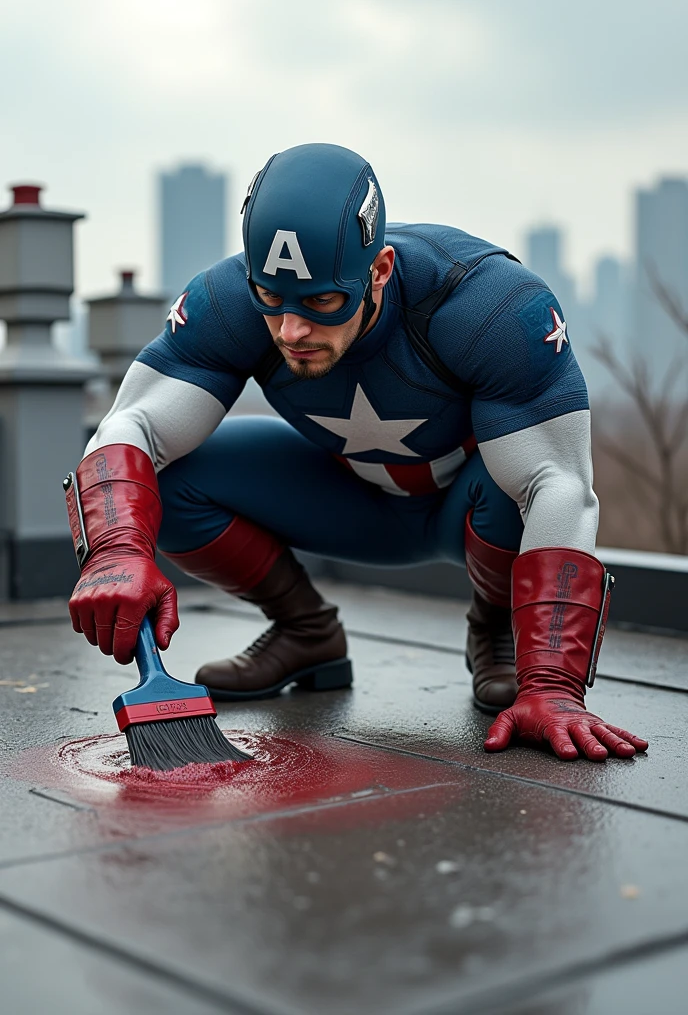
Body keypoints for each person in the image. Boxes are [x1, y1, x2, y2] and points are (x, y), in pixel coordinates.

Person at [65, 143, 648, 762]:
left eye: (321, 303)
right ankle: (306, 632)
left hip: (472, 509)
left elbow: (560, 485)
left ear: (380, 270)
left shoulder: (487, 306)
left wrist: (554, 686)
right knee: (169, 478)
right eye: (271, 297)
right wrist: (117, 547)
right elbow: (131, 424)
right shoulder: (229, 300)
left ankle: (498, 634)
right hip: (347, 498)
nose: (292, 331)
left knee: (525, 476)